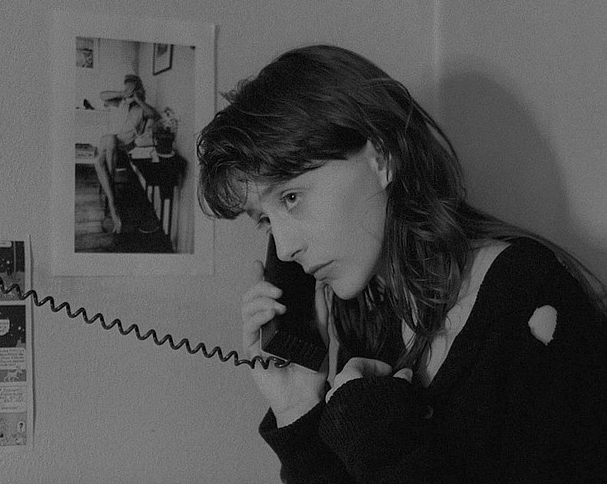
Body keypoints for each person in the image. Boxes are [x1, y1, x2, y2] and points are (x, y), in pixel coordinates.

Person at [196, 45, 607, 483]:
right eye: (264, 220)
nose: (283, 249)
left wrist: (374, 433)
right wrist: (296, 408)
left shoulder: (530, 298)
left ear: (383, 157)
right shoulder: (369, 320)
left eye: (291, 197)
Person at [95, 74, 160, 233]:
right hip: (109, 144)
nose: (129, 92)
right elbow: (102, 96)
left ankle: (112, 203)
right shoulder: (121, 103)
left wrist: (138, 100)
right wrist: (122, 94)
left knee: (98, 161)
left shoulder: (142, 109)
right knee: (110, 139)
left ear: (139, 90)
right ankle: (113, 201)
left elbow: (154, 115)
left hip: (123, 150)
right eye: (127, 89)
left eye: (132, 89)